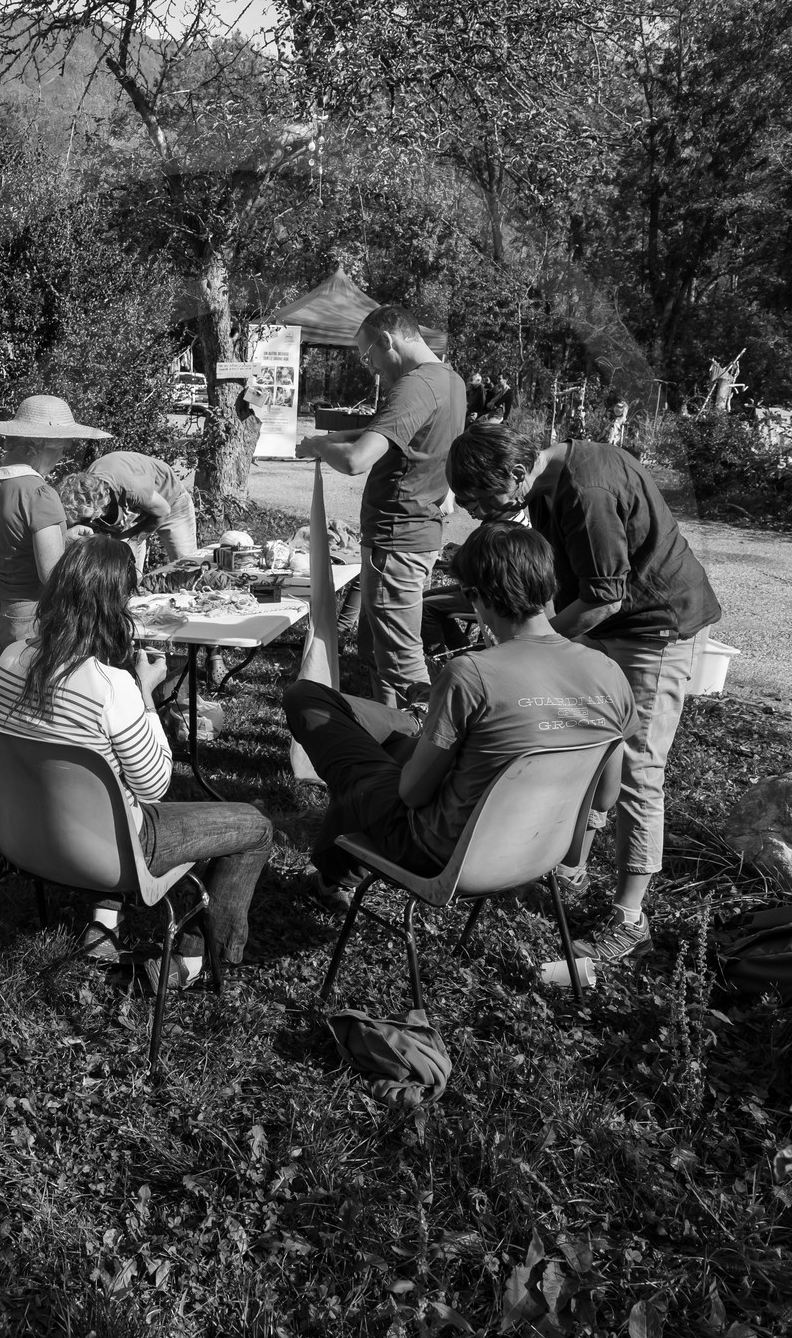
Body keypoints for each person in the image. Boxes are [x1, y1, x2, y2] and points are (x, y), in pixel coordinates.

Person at [446, 416, 722, 962]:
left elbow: (602, 598)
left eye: (479, 497)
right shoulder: (554, 477)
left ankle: (629, 916)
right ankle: (569, 866)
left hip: (652, 628)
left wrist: (530, 645)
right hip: (613, 622)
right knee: (589, 742)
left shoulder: (587, 491)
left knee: (637, 767)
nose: (473, 511)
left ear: (520, 472)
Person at [284, 524, 633, 908]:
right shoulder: (608, 672)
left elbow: (413, 794)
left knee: (312, 704)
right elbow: (604, 798)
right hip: (538, 852)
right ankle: (336, 872)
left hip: (438, 854)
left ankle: (415, 730)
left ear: (476, 597)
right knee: (400, 747)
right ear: (550, 586)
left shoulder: (472, 674)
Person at [0, 536, 273, 990]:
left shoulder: (9, 658)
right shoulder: (111, 686)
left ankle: (103, 927)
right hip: (112, 851)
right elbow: (155, 785)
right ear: (114, 608)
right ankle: (197, 961)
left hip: (23, 836)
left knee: (103, 790)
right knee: (256, 826)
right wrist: (144, 692)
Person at [296, 304, 467, 708]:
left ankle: (425, 753)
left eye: (367, 354)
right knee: (377, 651)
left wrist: (321, 444)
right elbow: (387, 427)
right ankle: (394, 744)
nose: (369, 366)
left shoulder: (413, 386)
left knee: (402, 662)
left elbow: (357, 461)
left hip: (397, 541)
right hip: (415, 535)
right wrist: (334, 436)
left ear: (387, 340)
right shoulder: (449, 380)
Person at [0, 395, 110, 661]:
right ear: (36, 445)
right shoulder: (40, 494)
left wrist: (64, 537)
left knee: (2, 689)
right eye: (61, 446)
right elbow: (51, 576)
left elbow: (15, 540)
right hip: (30, 615)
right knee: (31, 696)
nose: (63, 454)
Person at [56, 450, 199, 573]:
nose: (90, 522)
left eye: (89, 517)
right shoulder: (84, 490)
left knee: (186, 566)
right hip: (139, 508)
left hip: (170, 502)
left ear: (98, 501)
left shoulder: (132, 488)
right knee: (124, 567)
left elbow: (163, 510)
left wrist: (137, 538)